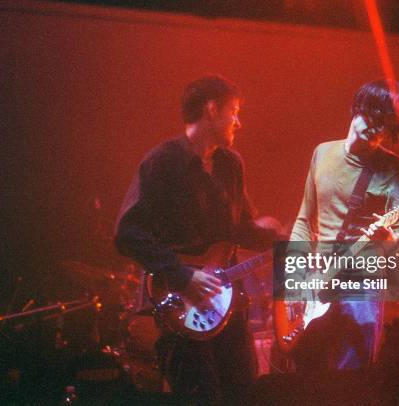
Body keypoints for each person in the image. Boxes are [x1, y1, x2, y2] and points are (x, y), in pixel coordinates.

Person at [115, 74, 279, 403]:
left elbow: (239, 229)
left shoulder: (231, 165)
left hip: (228, 304)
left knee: (247, 394)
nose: (238, 122)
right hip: (179, 307)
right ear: (211, 108)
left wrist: (283, 237)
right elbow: (127, 232)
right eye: (233, 111)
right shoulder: (162, 162)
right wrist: (182, 275)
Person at [289, 79, 399, 369]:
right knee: (307, 379)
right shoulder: (322, 153)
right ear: (359, 107)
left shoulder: (395, 168)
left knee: (352, 381)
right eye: (373, 116)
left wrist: (391, 241)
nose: (376, 127)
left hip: (362, 284)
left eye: (385, 124)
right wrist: (294, 279)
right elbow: (303, 220)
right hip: (317, 283)